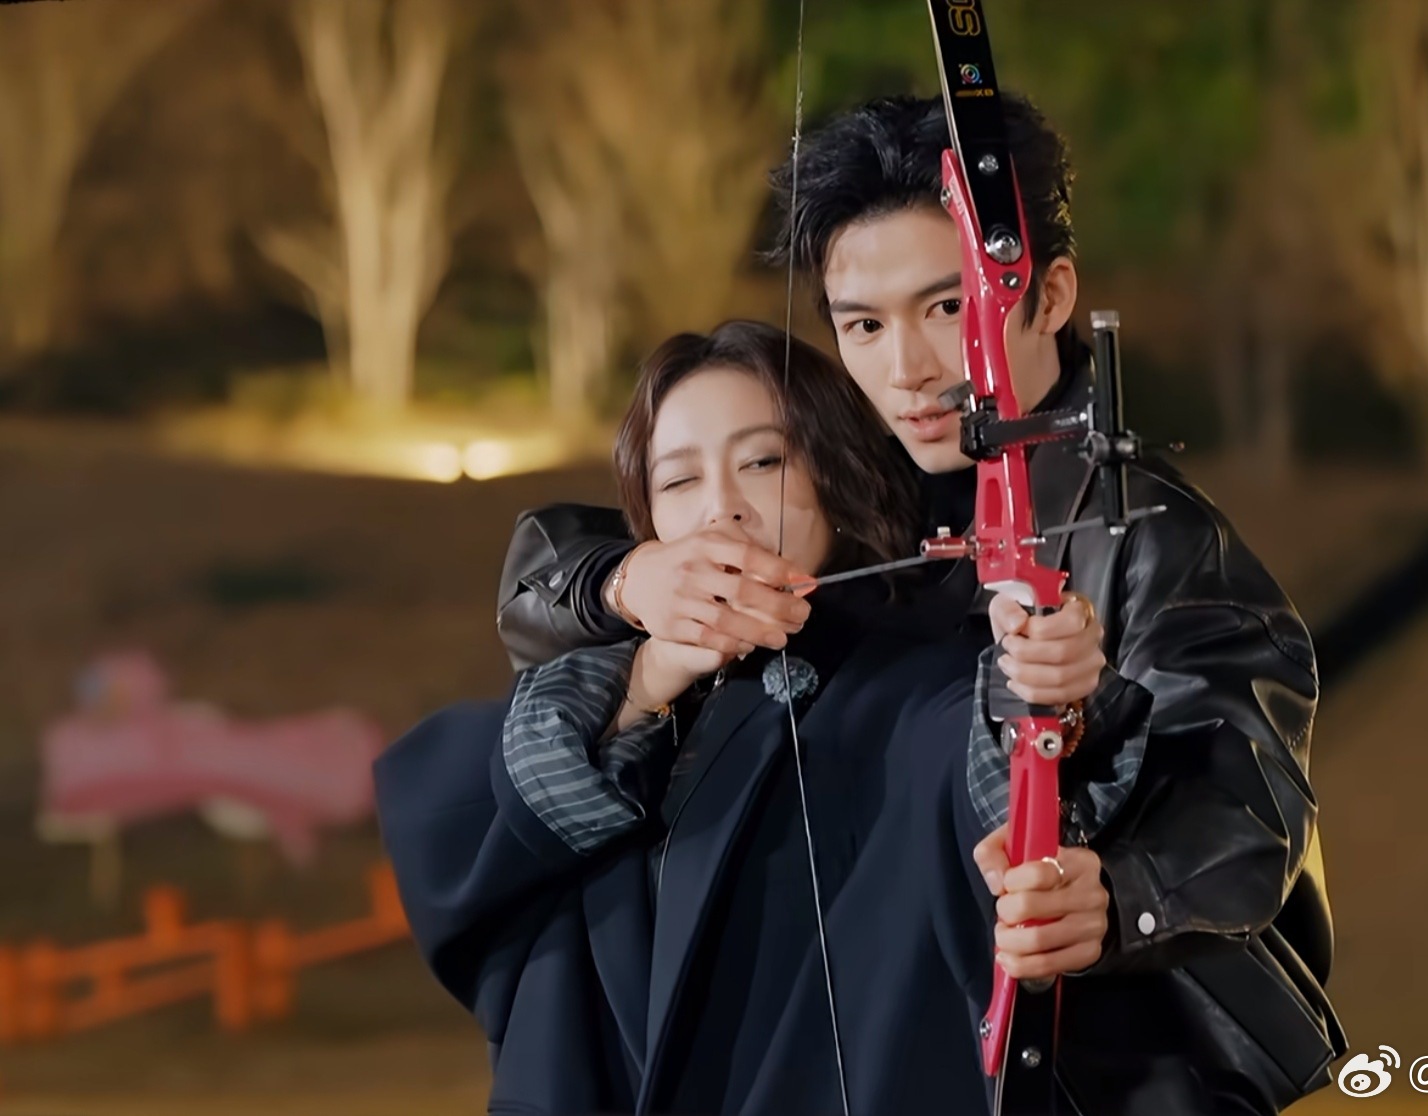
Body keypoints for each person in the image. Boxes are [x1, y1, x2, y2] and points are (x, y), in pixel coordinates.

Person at [494, 94, 1348, 1113]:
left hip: (1095, 1073)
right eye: (863, 324)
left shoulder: (1155, 539)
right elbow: (550, 575)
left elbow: (1249, 797)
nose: (907, 370)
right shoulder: (864, 484)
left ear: (1049, 294)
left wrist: (1119, 895)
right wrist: (629, 580)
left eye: (948, 309)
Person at [376, 322, 1119, 1116]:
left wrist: (1041, 689)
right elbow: (464, 825)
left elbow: (982, 768)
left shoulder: (919, 685)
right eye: (678, 481)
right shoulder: (626, 703)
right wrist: (647, 675)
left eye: (763, 462)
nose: (721, 510)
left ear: (836, 475)